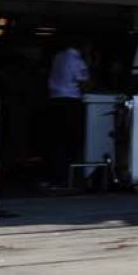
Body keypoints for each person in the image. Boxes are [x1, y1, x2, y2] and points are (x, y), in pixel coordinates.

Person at [43, 42, 90, 186]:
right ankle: (68, 176)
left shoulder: (58, 57)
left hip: (55, 99)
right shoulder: (77, 60)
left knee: (57, 140)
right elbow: (84, 83)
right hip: (71, 101)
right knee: (71, 140)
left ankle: (56, 176)